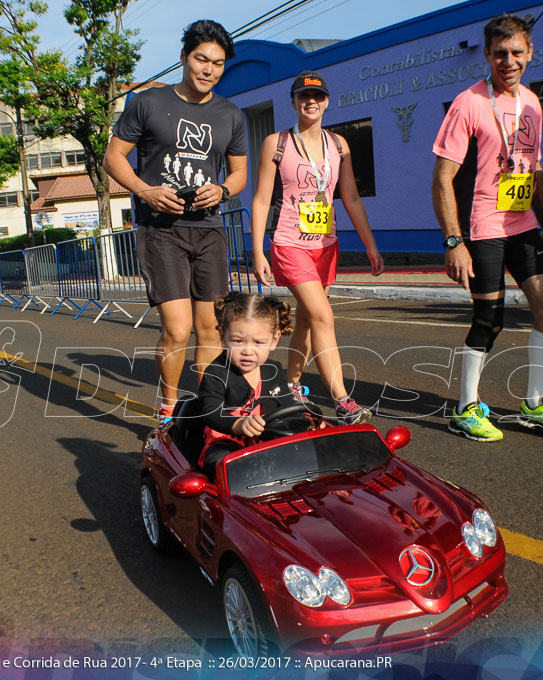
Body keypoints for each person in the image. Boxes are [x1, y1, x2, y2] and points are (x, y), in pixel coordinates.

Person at [431, 15, 543, 442]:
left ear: (530, 53)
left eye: (516, 53)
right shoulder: (469, 103)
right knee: (489, 320)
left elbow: (534, 168)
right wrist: (454, 241)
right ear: (488, 55)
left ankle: (534, 405)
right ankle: (466, 409)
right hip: (482, 227)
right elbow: (442, 177)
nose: (508, 61)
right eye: (500, 53)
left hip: (524, 223)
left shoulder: (532, 104)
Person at [104, 19, 248, 423]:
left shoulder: (231, 115)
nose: (208, 69)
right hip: (160, 231)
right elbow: (113, 158)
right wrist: (144, 190)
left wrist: (223, 190)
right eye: (201, 59)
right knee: (178, 329)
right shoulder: (148, 104)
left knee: (210, 328)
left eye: (217, 64)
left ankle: (209, 409)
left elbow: (239, 173)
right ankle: (168, 408)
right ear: (184, 58)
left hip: (208, 230)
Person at [251, 71, 384, 425]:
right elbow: (262, 198)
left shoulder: (339, 145)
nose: (311, 102)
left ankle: (291, 383)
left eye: (318, 96)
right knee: (324, 315)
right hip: (289, 243)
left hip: (326, 244)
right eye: (304, 96)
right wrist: (257, 250)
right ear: (294, 102)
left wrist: (370, 245)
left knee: (309, 321)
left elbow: (351, 197)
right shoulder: (276, 143)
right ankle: (342, 401)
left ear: (327, 101)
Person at [197, 292, 302, 478]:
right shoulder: (216, 373)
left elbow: (288, 405)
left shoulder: (273, 370)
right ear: (223, 336)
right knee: (222, 465)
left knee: (302, 455)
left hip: (265, 439)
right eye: (238, 341)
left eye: (259, 342)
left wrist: (307, 421)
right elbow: (210, 412)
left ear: (274, 340)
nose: (247, 351)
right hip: (225, 442)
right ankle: (229, 504)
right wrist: (238, 424)